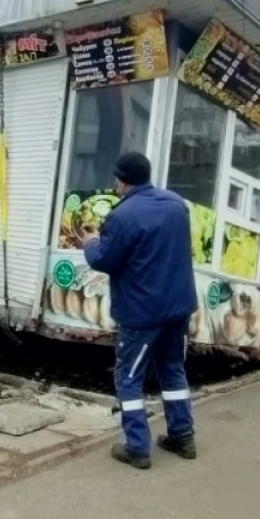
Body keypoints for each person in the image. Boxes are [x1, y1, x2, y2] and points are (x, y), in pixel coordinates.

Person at [82, 151, 198, 470]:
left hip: (141, 313)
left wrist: (91, 241)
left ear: (121, 181)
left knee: (128, 377)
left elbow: (104, 260)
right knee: (172, 370)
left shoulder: (123, 215)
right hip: (177, 308)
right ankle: (182, 437)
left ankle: (137, 447)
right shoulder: (176, 204)